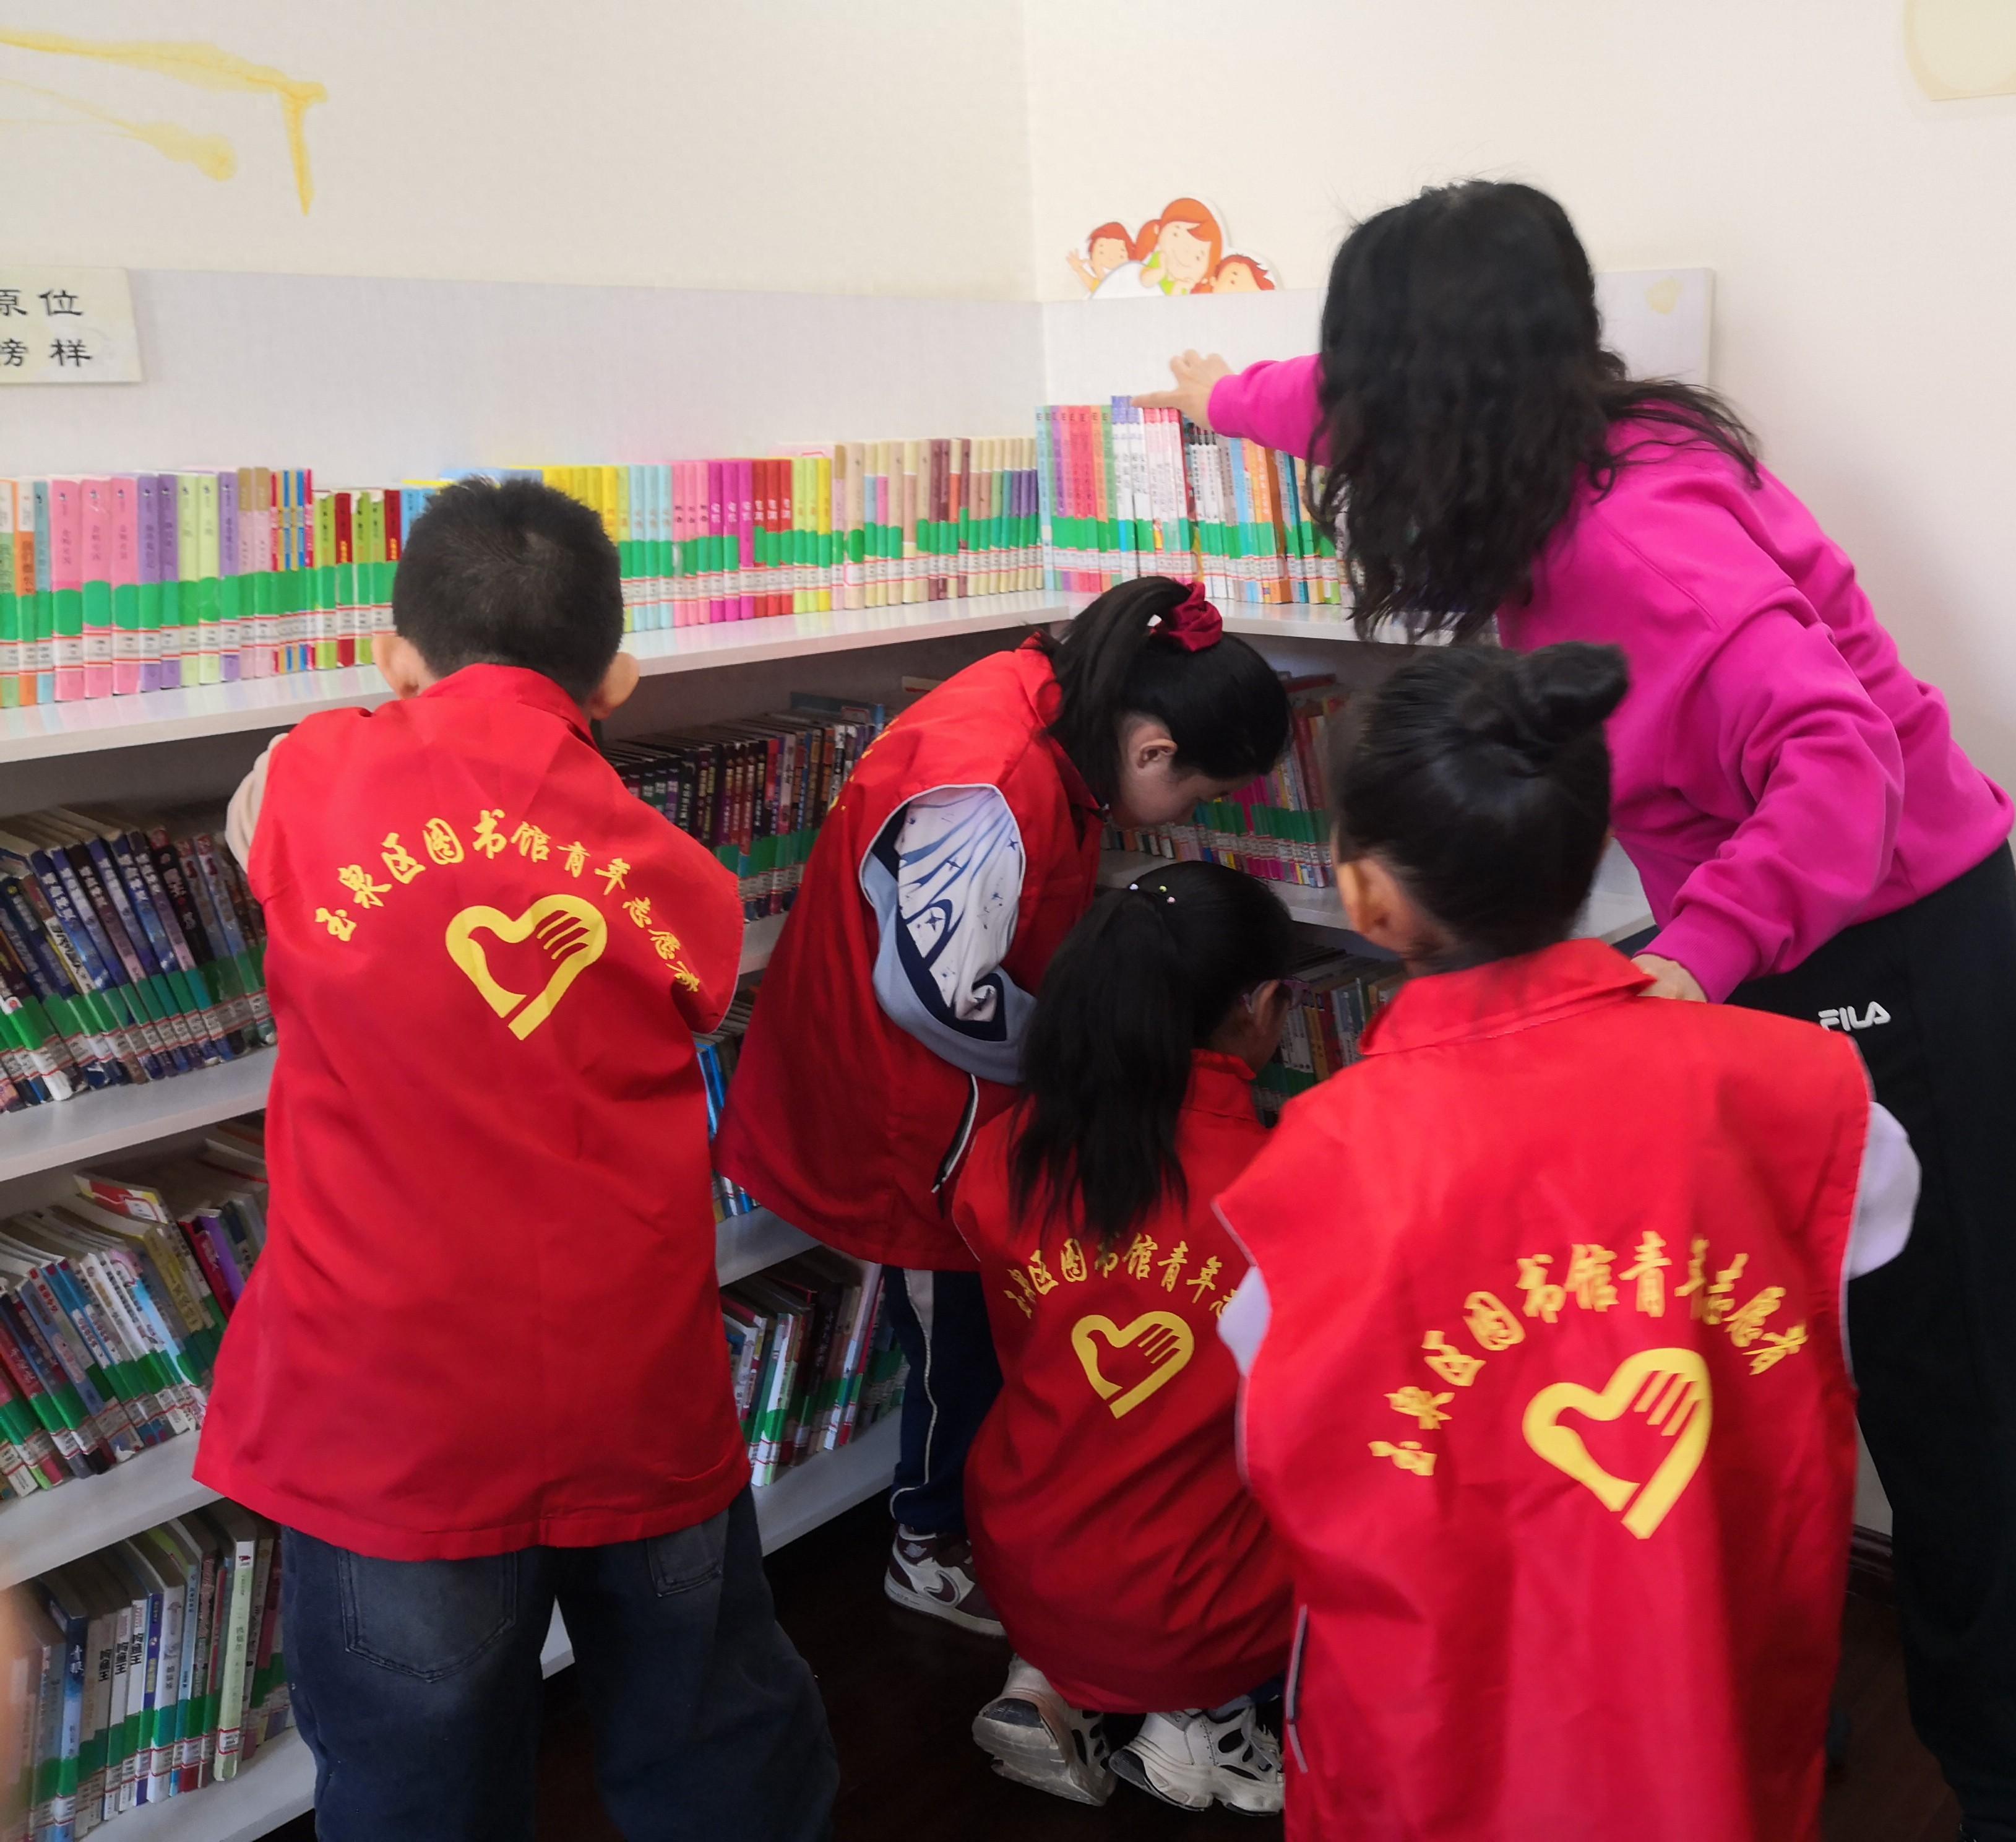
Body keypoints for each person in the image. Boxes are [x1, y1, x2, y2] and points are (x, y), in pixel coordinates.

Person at [1139, 178, 2016, 1842]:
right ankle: (1756, 1695)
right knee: (1716, 1345)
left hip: (1890, 928)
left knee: (1942, 1395)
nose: (1346, 422)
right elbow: (1329, 397)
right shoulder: (1539, 429)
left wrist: (1698, 958)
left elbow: (1844, 763)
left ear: (1444, 400)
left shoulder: (1634, 537)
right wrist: (1216, 395)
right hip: (1753, 919)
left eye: (1366, 388)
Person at [197, 478, 834, 1842]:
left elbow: (264, 823)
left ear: (394, 660)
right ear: (614, 680)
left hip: (391, 1420)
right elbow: (695, 999)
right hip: (635, 1392)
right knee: (715, 1746)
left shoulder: (306, 779)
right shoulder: (682, 875)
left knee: (416, 1790)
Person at [1212, 642, 1915, 1841]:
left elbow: (1269, 1449)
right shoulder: (1819, 1101)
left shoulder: (1300, 1186)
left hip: (1439, 1758)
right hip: (1709, 1732)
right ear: (1596, 852)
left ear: (1367, 900)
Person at [717, 577, 1290, 1634]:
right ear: (1153, 749)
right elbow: (933, 994)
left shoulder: (1040, 696)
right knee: (957, 1345)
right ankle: (927, 1544)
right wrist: (1090, 1054)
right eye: (1201, 796)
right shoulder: (989, 779)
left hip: (952, 1097)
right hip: (908, 1114)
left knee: (973, 1329)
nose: (1190, 819)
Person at [954, 862, 1298, 1814]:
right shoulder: (1280, 1189)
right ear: (1259, 1006)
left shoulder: (1003, 1154)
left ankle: (1051, 1679)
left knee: (1108, 1459)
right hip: (1196, 1600)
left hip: (1023, 1556)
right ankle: (1207, 1723)